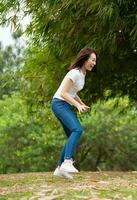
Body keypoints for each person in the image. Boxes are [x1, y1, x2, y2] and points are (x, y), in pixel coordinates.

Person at [51, 47, 97, 179]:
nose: (94, 63)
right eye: (92, 60)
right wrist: (77, 106)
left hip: (64, 104)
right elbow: (63, 93)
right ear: (85, 58)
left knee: (72, 133)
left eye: (95, 61)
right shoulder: (75, 73)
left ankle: (59, 169)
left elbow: (73, 92)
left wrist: (81, 103)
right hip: (59, 103)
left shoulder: (82, 74)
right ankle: (67, 162)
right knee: (77, 129)